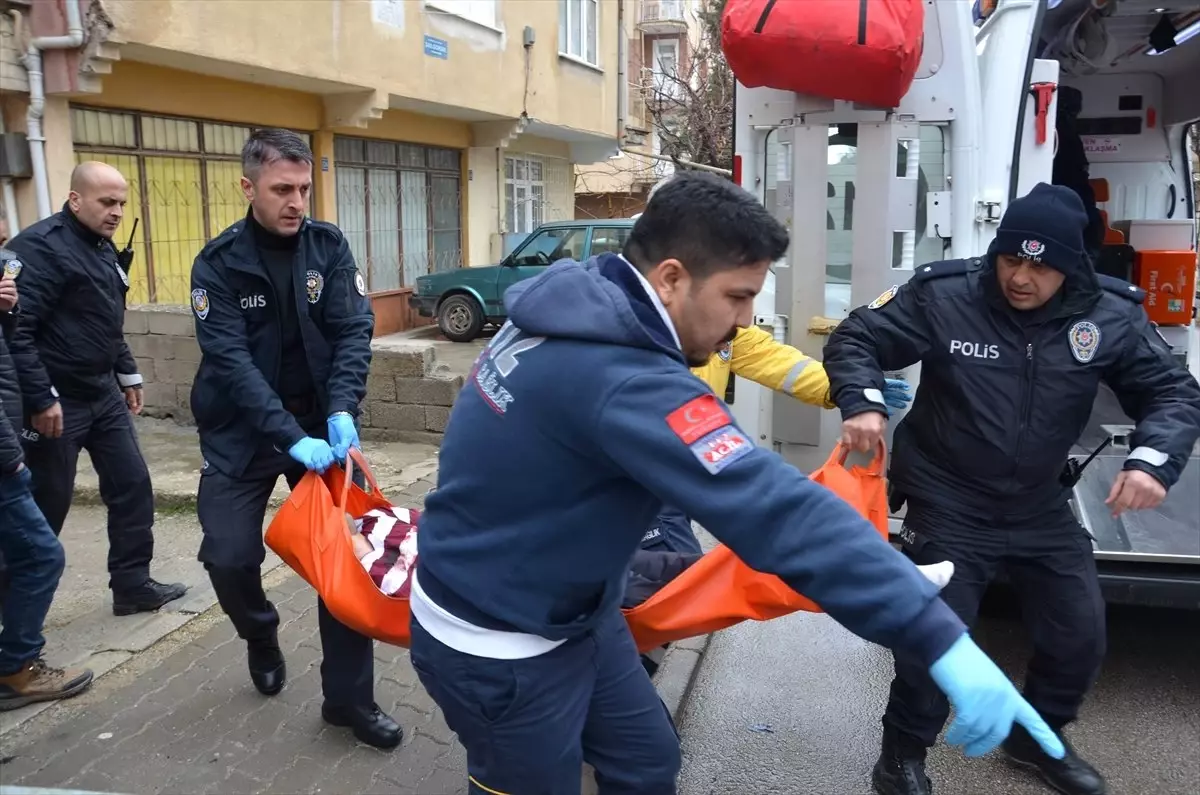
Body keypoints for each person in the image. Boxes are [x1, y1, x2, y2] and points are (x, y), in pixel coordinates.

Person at [408, 171, 1065, 794]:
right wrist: (937, 633)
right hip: (502, 642)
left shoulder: (581, 298)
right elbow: (778, 511)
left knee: (646, 758)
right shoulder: (627, 380)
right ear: (670, 278)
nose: (747, 319)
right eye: (738, 296)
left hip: (568, 607)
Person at [823, 182, 1200, 795]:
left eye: (1041, 264)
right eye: (1011, 259)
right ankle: (901, 756)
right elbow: (858, 336)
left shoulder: (1110, 313)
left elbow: (1173, 391)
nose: (1021, 277)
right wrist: (862, 400)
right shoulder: (945, 294)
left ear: (1071, 266)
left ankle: (1035, 738)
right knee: (934, 637)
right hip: (948, 498)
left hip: (1038, 503)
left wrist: (1153, 462)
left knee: (1080, 631)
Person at [188, 128, 401, 749]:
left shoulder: (328, 247)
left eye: (305, 188)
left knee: (344, 561)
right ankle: (259, 632)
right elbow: (231, 363)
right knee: (228, 556)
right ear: (248, 187)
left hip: (319, 430)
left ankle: (349, 702)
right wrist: (287, 435)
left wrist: (340, 410)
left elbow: (353, 331)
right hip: (242, 433)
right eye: (283, 189)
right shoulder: (217, 264)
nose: (297, 201)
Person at [5, 162, 186, 617]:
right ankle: (16, 618)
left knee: (132, 485)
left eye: (122, 203)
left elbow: (104, 318)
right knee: (46, 508)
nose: (117, 212)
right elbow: (17, 330)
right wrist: (41, 398)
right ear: (75, 200)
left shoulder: (101, 247)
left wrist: (127, 373)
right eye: (107, 202)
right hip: (56, 401)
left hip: (102, 393)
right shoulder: (40, 250)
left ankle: (132, 586)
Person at [0, 239, 95, 711]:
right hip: (4, 458)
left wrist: (5, 312)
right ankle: (16, 668)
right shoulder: (48, 248)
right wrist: (10, 457)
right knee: (41, 556)